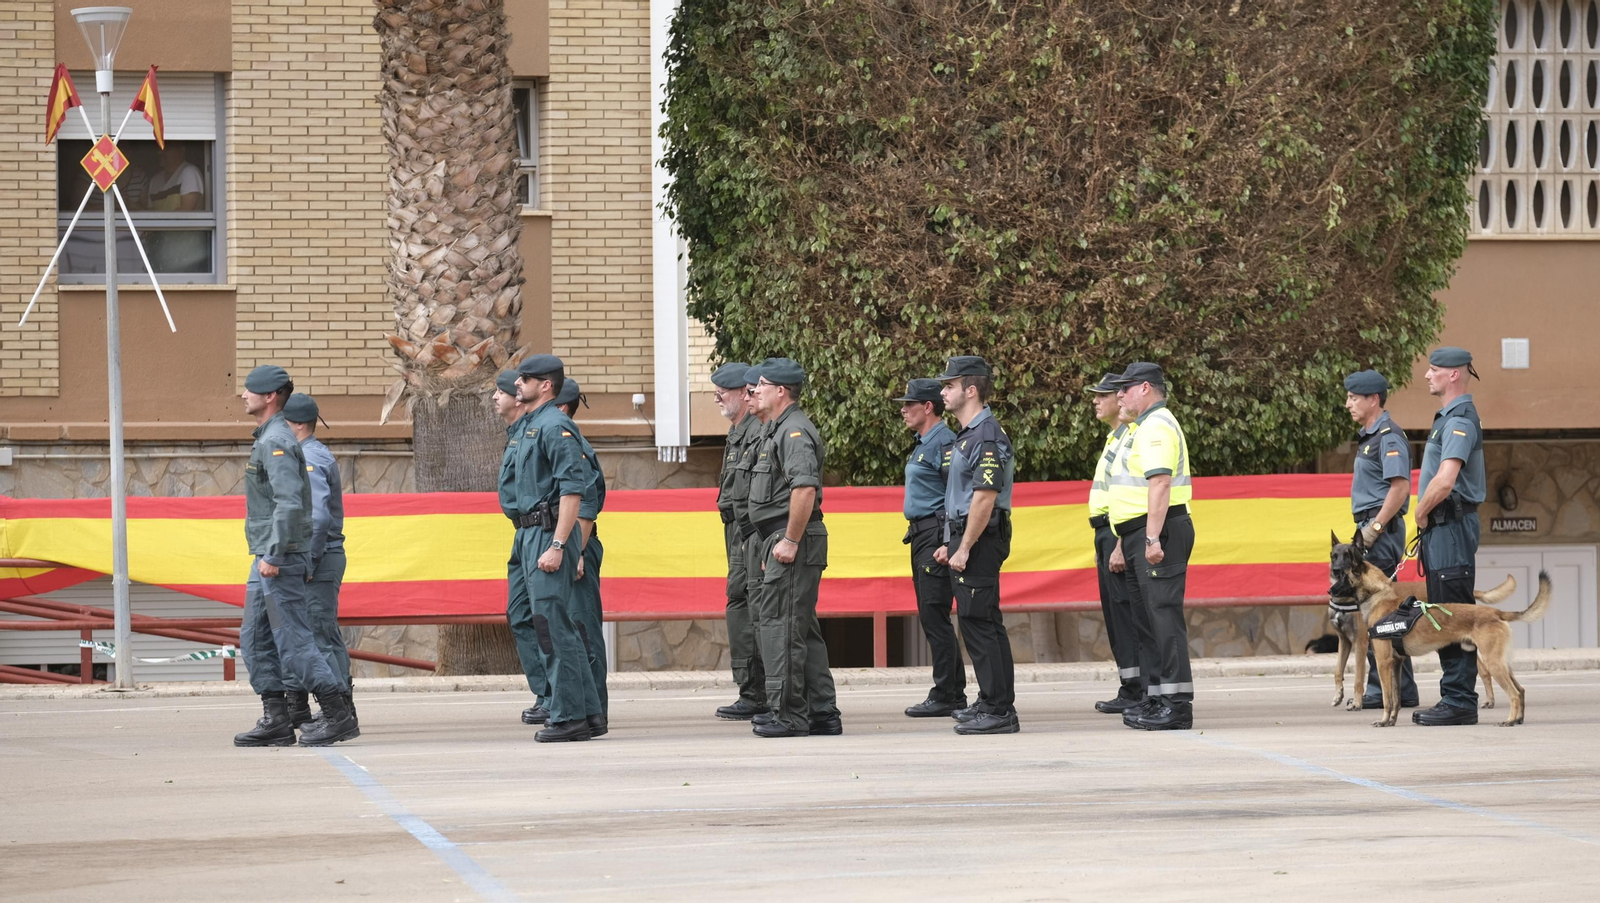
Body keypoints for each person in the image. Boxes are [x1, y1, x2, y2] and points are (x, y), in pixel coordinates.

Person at [233, 365, 354, 748]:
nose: (243, 395)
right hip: (267, 554)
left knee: (295, 639)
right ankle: (277, 718)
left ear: (270, 397)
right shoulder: (269, 436)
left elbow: (290, 504)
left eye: (250, 389)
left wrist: (274, 553)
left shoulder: (278, 441)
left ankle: (336, 714)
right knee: (255, 637)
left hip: (280, 555)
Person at [746, 358, 841, 738]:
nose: (755, 391)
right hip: (781, 537)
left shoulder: (793, 431)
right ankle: (821, 712)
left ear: (781, 391)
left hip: (791, 538)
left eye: (762, 385)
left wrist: (788, 540)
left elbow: (804, 489)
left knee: (782, 627)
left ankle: (788, 715)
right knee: (801, 628)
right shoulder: (780, 429)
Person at [512, 355, 601, 742]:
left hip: (548, 533)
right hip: (530, 533)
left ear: (546, 385)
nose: (518, 383)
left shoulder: (555, 426)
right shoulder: (533, 424)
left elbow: (572, 491)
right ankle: (588, 712)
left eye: (525, 378)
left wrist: (560, 544)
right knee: (549, 623)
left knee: (552, 626)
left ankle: (569, 716)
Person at [1108, 362, 1195, 731]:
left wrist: (1152, 538)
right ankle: (1158, 697)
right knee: (1148, 621)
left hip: (1159, 531)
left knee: (1163, 617)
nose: (1119, 395)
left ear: (1145, 388)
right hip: (1139, 533)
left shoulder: (1156, 425)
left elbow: (1160, 483)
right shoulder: (1142, 426)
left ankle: (1176, 705)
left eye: (1125, 388)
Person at [935, 355, 1020, 735]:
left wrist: (965, 546)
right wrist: (951, 542)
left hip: (981, 537)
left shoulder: (985, 435)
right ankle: (991, 700)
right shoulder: (969, 434)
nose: (943, 392)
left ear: (971, 390)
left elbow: (985, 497)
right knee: (977, 621)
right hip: (968, 534)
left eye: (949, 386)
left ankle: (1000, 710)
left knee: (980, 622)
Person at [1411, 347, 1487, 727]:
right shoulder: (1447, 418)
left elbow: (1445, 480)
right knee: (1444, 613)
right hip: (1443, 530)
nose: (1427, 375)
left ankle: (1459, 700)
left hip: (1450, 527)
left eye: (1434, 369)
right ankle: (1454, 697)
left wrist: (1420, 512)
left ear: (1454, 374)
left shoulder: (1460, 419)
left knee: (1453, 614)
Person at [282, 392, 358, 739]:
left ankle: (338, 713)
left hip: (319, 557)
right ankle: (341, 708)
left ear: (297, 424)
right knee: (323, 633)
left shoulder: (310, 456)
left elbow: (317, 517)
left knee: (318, 636)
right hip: (321, 556)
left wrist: (307, 561)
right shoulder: (310, 453)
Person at [1341, 369, 1419, 709]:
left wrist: (1374, 527)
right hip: (1371, 529)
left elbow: (1400, 487)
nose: (1348, 404)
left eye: (1353, 398)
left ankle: (1386, 689)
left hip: (1380, 532)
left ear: (1373, 399)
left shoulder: (1388, 436)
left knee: (1381, 611)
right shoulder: (1371, 437)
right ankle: (1398, 688)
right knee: (1380, 612)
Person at [894, 378, 965, 718]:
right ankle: (953, 692)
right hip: (921, 534)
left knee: (934, 614)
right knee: (931, 614)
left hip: (935, 534)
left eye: (910, 404)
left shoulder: (944, 442)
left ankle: (947, 693)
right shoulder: (924, 442)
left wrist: (948, 541)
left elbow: (955, 494)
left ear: (928, 407)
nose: (904, 410)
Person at [1086, 372, 1151, 715]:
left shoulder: (1131, 436)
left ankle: (1139, 690)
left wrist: (1121, 543)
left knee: (1128, 614)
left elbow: (1133, 496)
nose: (1096, 401)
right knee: (1116, 615)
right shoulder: (1116, 437)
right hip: (1106, 532)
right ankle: (1130, 686)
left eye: (1102, 395)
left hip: (1118, 532)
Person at [710, 362, 769, 720]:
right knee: (739, 604)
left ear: (744, 395)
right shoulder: (737, 433)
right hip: (736, 532)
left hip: (751, 533)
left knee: (753, 607)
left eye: (723, 391)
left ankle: (760, 693)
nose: (717, 397)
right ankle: (751, 690)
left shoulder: (756, 432)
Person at [494, 369, 550, 726]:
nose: (495, 397)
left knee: (546, 618)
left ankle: (555, 696)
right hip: (522, 533)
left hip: (540, 532)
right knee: (519, 614)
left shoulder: (540, 431)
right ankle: (545, 691)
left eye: (500, 392)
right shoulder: (518, 434)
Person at [555, 377, 609, 734]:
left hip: (579, 547)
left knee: (583, 628)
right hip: (569, 546)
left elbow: (585, 507)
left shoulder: (574, 446)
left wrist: (576, 552)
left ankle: (595, 710)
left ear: (561, 408)